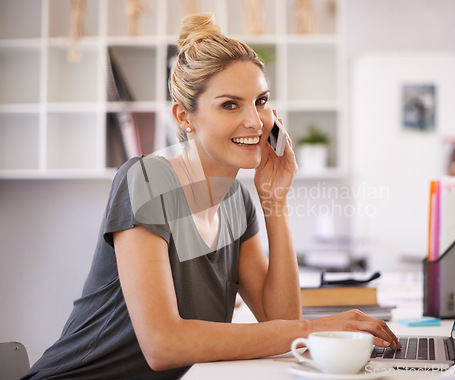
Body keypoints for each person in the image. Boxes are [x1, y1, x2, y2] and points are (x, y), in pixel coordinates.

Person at [22, 13, 400, 380]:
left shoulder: (238, 202)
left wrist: (275, 201)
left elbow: (279, 321)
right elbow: (163, 345)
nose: (254, 120)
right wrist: (315, 327)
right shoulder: (147, 180)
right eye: (230, 104)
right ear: (185, 117)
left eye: (262, 101)